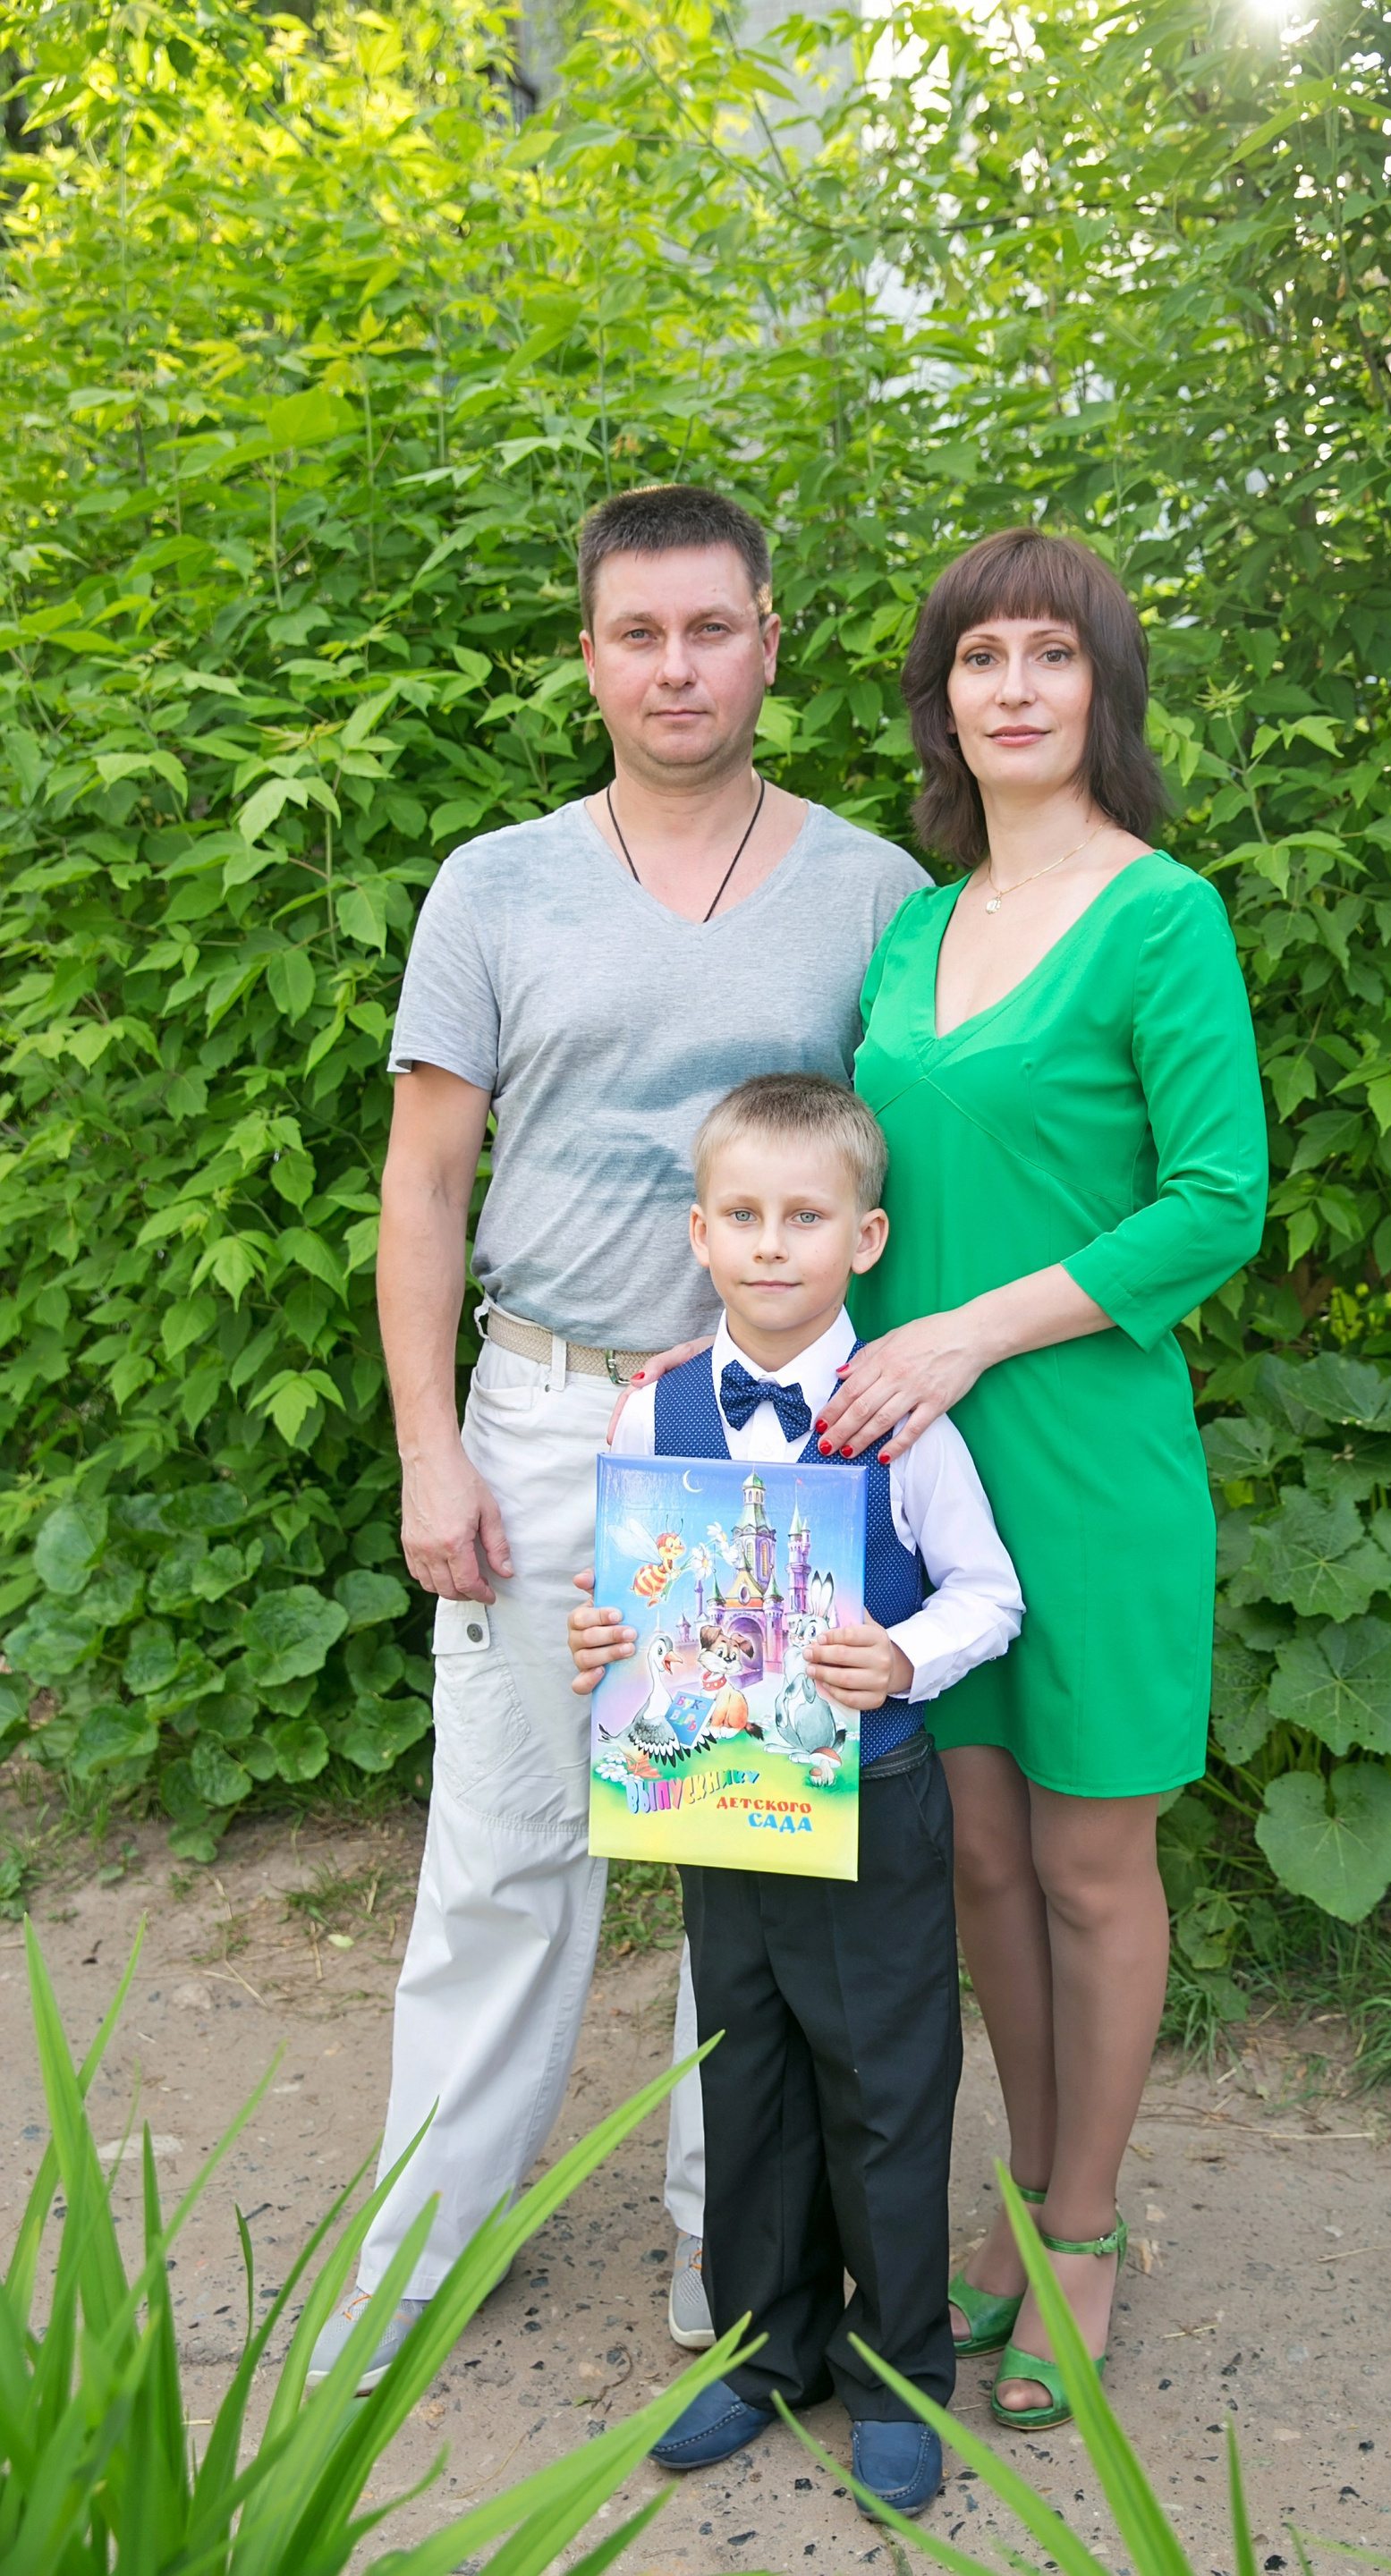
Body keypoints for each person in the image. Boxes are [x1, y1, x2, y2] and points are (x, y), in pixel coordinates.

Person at [307, 487, 927, 2390]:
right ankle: (427, 2243)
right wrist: (430, 1448)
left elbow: (907, 1186)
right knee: (504, 1849)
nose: (676, 668)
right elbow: (424, 1184)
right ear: (588, 656)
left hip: (770, 1446)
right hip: (548, 1411)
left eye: (711, 629)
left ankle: (728, 2252)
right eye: (637, 634)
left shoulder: (874, 892)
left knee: (747, 1865)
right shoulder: (495, 885)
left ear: (769, 642)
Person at [815, 527, 1268, 2429]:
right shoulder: (912, 928)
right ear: (943, 701)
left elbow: (1217, 1204)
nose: (1014, 688)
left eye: (1051, 654)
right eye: (980, 656)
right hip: (922, 1471)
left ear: (1105, 689)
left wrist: (966, 1337)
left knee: (1088, 1862)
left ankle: (1085, 2220)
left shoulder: (1163, 917)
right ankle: (1017, 2189)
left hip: (1079, 1459)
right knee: (980, 1856)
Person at [571, 1072, 1022, 2521]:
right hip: (718, 1808)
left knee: (882, 2085)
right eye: (746, 1216)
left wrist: (904, 1657)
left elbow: (989, 1595)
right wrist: (602, 1641)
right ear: (700, 1234)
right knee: (746, 2076)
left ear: (864, 1238)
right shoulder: (651, 1411)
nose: (773, 1244)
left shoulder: (901, 1419)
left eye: (806, 1218)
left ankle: (896, 2374)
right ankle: (768, 2350)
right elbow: (629, 1596)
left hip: (872, 1801)